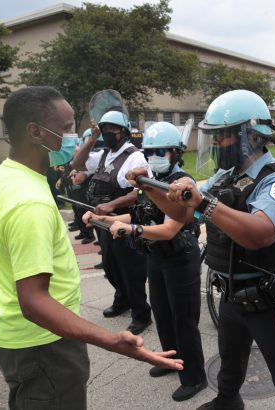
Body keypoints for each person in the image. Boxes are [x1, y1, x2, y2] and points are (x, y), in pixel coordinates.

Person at [0, 86, 183, 410]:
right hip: (42, 342)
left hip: (16, 334)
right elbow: (33, 301)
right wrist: (111, 340)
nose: (74, 136)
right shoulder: (30, 204)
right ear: (35, 132)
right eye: (65, 129)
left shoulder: (6, 176)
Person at [127, 90, 275, 410]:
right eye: (214, 138)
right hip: (233, 291)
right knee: (230, 359)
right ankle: (228, 400)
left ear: (250, 136)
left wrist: (204, 202)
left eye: (223, 137)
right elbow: (183, 214)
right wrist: (149, 186)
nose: (217, 145)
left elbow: (259, 234)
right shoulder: (225, 177)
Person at [85, 121, 207, 402]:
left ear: (175, 153)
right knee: (163, 315)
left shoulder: (182, 184)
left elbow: (169, 228)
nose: (154, 156)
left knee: (183, 320)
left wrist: (132, 230)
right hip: (157, 257)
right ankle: (169, 361)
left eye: (161, 151)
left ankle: (194, 377)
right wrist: (103, 218)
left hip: (180, 258)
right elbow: (138, 215)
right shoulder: (147, 182)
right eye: (150, 150)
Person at [71, 110, 153, 334]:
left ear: (124, 132)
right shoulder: (103, 154)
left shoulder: (134, 156)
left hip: (124, 218)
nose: (107, 134)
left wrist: (113, 205)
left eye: (111, 130)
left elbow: (141, 191)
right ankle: (122, 298)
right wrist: (92, 137)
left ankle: (141, 313)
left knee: (131, 268)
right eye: (104, 130)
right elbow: (76, 164)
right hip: (102, 221)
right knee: (110, 264)